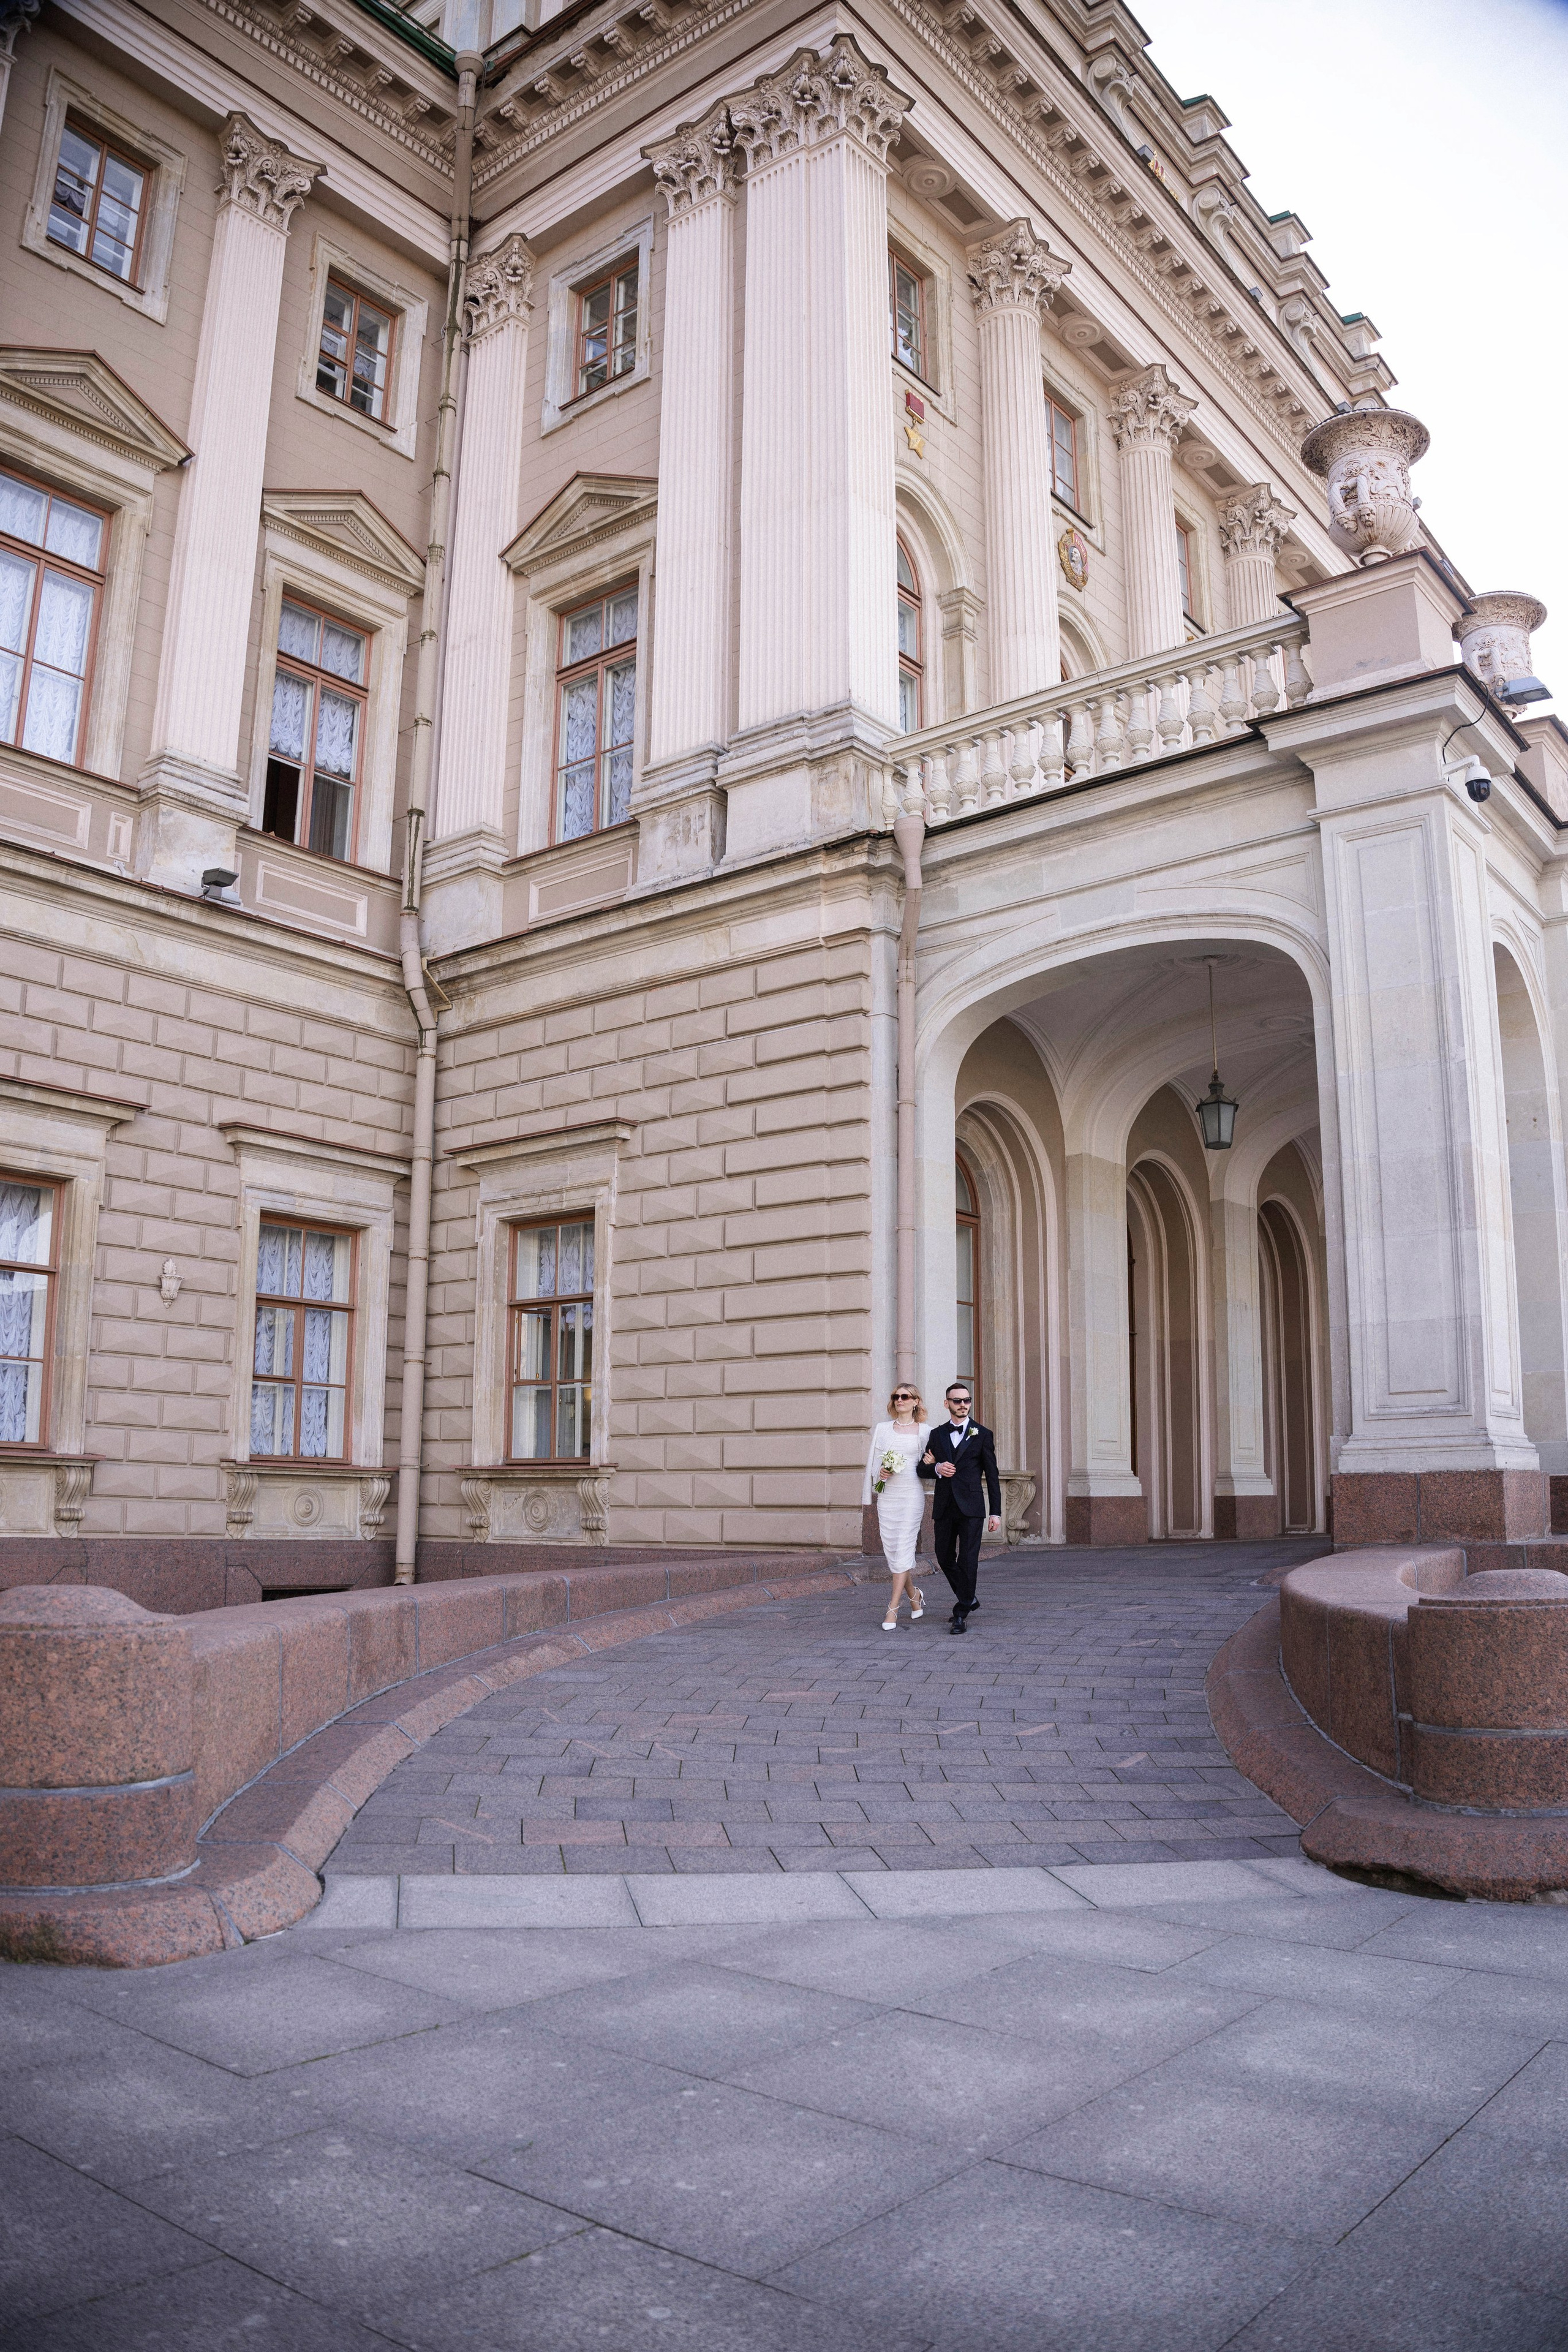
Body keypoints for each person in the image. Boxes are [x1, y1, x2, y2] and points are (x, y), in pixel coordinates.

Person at [918, 1382, 1000, 1634]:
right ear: (947, 1404)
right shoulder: (937, 1434)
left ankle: (961, 1613)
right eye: (957, 1401)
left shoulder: (983, 1434)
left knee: (968, 1560)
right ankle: (969, 1597)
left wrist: (995, 1512)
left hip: (972, 1508)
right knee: (943, 1556)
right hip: (945, 1506)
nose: (963, 1405)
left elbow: (992, 1476)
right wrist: (937, 1468)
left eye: (967, 1400)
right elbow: (921, 1468)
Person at [861, 1385, 930, 1630]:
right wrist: (880, 1472)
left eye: (905, 1396)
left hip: (911, 1495)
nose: (900, 1400)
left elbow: (928, 1468)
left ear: (916, 1402)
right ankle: (915, 1596)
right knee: (893, 1550)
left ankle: (893, 1608)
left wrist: (932, 1462)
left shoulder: (926, 1431)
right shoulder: (882, 1429)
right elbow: (873, 1463)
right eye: (896, 1397)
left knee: (904, 1547)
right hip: (888, 1496)